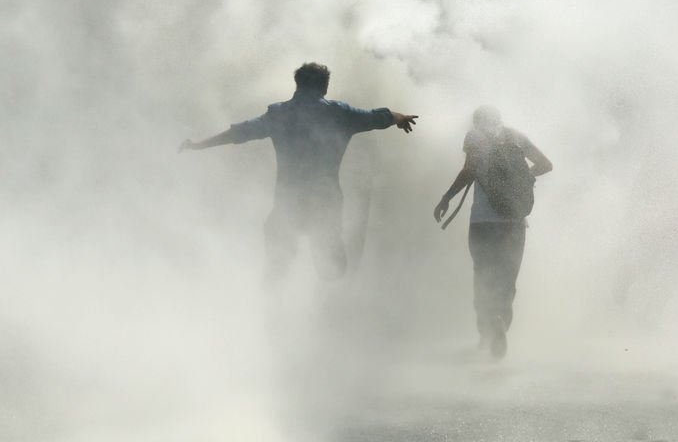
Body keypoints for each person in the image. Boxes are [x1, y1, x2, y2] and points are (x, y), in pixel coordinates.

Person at [180, 62, 417, 279]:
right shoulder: (339, 114)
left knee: (278, 265)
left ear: (297, 85)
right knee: (330, 268)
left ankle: (274, 310)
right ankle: (323, 311)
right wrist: (400, 117)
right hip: (325, 202)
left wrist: (199, 144)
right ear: (325, 87)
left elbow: (238, 133)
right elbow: (379, 117)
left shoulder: (280, 114)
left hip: (288, 201)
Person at [434, 106, 552, 359]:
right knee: (508, 280)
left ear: (477, 121)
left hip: (483, 223)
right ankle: (500, 323)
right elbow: (545, 164)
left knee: (483, 276)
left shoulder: (475, 136)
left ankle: (487, 333)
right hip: (514, 223)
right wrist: (523, 178)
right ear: (500, 119)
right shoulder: (517, 136)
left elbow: (469, 170)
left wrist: (447, 197)